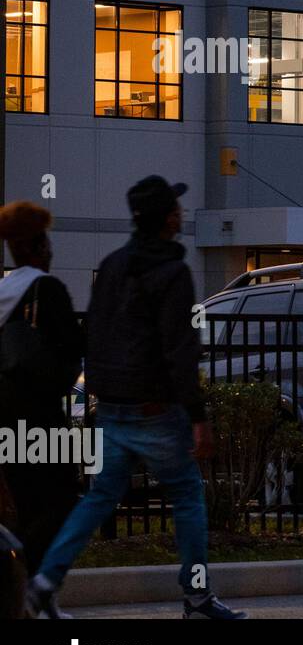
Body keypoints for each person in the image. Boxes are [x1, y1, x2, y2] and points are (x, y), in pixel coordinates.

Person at [27, 176, 246, 619]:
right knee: (186, 495)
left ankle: (45, 581)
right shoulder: (174, 272)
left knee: (98, 498)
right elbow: (179, 350)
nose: (181, 216)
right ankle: (197, 596)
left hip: (111, 408)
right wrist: (198, 416)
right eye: (177, 211)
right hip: (156, 410)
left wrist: (103, 394)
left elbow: (96, 335)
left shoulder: (112, 265)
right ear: (168, 219)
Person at [0, 202, 83, 584]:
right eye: (47, 243)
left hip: (6, 420)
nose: (51, 250)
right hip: (43, 419)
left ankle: (25, 587)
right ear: (37, 245)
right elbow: (71, 353)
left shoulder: (4, 290)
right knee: (63, 498)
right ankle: (37, 586)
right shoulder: (47, 289)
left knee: (27, 505)